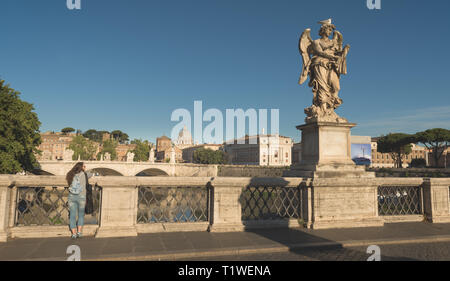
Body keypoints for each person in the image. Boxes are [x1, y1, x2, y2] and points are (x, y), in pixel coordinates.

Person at [66, 162, 94, 239]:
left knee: (72, 215)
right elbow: (91, 175)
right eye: (84, 166)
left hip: (71, 196)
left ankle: (74, 234)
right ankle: (79, 232)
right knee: (81, 215)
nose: (85, 167)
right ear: (82, 167)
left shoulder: (70, 174)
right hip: (81, 196)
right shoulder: (84, 174)